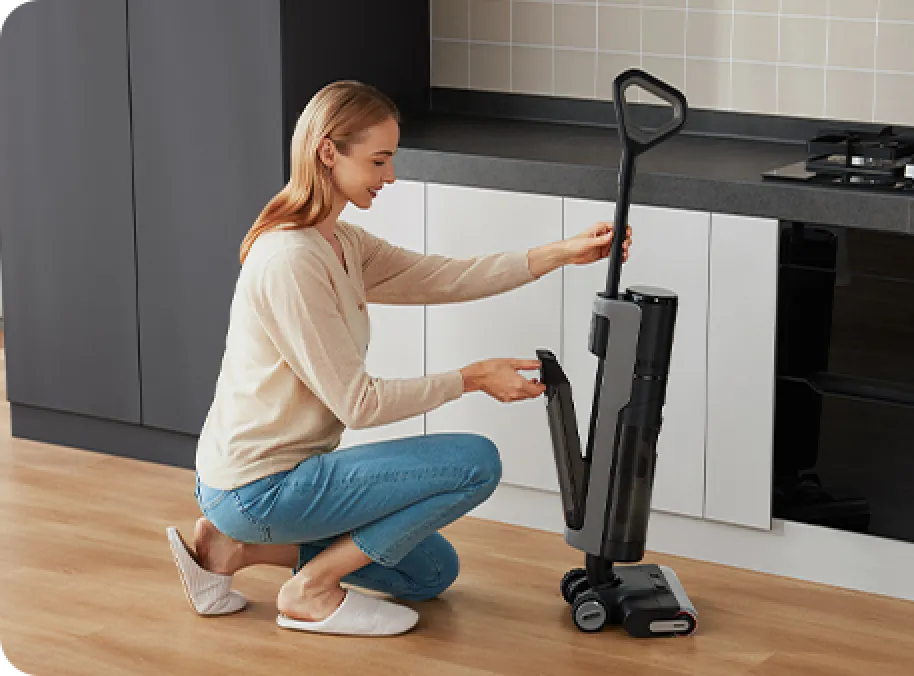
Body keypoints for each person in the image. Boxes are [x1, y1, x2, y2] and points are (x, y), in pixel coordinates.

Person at [165, 80, 632, 637]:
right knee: (476, 462)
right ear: (328, 152)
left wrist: (564, 252)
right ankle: (310, 590)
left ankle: (232, 548)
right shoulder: (291, 260)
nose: (390, 176)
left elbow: (446, 276)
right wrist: (471, 379)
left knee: (430, 572)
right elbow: (359, 405)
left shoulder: (340, 243)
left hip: (281, 479)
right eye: (379, 160)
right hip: (258, 485)